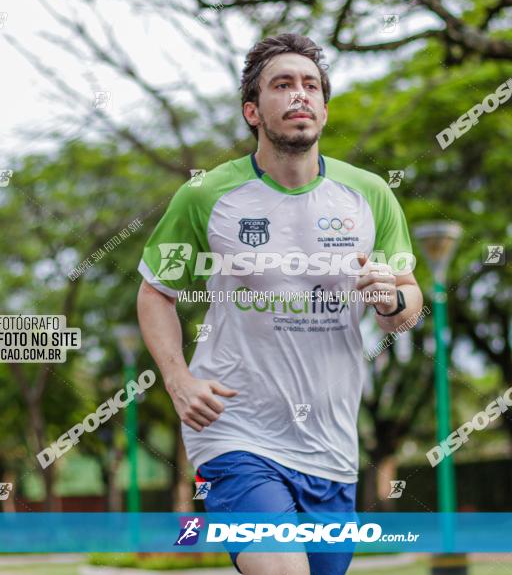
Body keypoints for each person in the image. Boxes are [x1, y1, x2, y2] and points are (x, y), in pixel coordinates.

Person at [136, 33, 423, 575]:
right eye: (283, 85)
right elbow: (155, 293)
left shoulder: (369, 196)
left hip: (331, 445)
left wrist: (393, 301)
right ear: (253, 110)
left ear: (325, 108)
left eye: (311, 86)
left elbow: (408, 304)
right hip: (235, 430)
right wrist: (177, 379)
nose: (300, 96)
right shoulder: (206, 197)